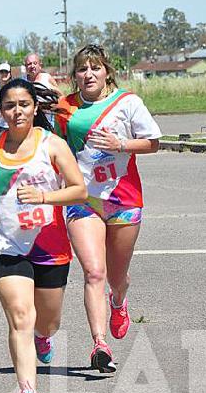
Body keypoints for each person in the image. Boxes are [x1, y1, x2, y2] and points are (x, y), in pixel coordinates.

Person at [0, 78, 86, 393]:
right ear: (0, 109)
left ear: (35, 108)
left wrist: (45, 197)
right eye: (10, 105)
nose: (17, 112)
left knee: (48, 320)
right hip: (5, 244)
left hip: (49, 245)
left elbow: (79, 190)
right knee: (20, 315)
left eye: (24, 105)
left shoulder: (53, 145)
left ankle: (44, 337)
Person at [52, 44, 163, 373]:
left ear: (107, 72)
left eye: (95, 68)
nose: (89, 75)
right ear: (74, 76)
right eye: (82, 70)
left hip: (123, 200)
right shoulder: (64, 108)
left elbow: (153, 143)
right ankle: (100, 344)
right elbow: (53, 144)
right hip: (82, 200)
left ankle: (119, 300)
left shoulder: (127, 103)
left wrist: (121, 144)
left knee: (116, 277)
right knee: (94, 272)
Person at [23, 53, 62, 127]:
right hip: (29, 121)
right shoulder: (22, 81)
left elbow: (60, 95)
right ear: (25, 66)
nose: (32, 66)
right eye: (29, 64)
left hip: (48, 121)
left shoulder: (46, 78)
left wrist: (56, 105)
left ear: (40, 65)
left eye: (35, 63)